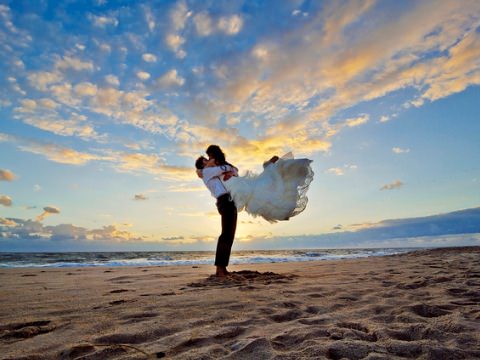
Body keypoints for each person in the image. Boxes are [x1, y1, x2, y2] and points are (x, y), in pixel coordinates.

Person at [195, 145, 238, 277]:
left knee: (230, 235)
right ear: (202, 167)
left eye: (208, 158)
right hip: (224, 201)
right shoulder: (207, 172)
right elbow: (225, 168)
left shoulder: (212, 171)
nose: (208, 161)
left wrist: (232, 171)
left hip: (229, 201)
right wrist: (230, 170)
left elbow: (235, 169)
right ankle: (219, 269)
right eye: (205, 161)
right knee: (226, 234)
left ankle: (223, 268)